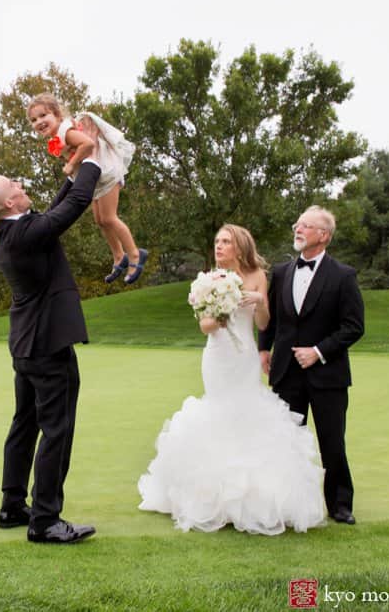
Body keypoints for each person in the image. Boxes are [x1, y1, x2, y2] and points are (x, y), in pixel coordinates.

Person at [137, 224, 327, 534]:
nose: (219, 246)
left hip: (245, 358)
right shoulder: (207, 280)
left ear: (239, 247)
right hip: (217, 356)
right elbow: (206, 327)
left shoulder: (257, 276)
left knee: (247, 411)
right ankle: (213, 498)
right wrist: (223, 304)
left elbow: (263, 322)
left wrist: (259, 300)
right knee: (218, 411)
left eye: (226, 242)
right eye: (217, 242)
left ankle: (252, 499)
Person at [0, 158, 101, 544]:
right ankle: (45, 519)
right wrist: (93, 161)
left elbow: (53, 211)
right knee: (56, 429)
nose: (19, 183)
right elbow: (76, 203)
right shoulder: (27, 234)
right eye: (13, 183)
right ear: (10, 204)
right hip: (47, 347)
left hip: (26, 346)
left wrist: (70, 171)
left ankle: (13, 506)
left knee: (25, 425)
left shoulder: (9, 234)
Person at [258, 205, 365, 525]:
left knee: (332, 442)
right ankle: (284, 504)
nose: (298, 229)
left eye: (306, 225)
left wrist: (318, 351)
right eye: (297, 224)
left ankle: (340, 505)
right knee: (286, 441)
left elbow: (354, 326)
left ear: (324, 235)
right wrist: (264, 349)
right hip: (286, 373)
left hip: (327, 375)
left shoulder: (343, 276)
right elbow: (271, 318)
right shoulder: (280, 272)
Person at [27, 93, 148, 285]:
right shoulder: (56, 138)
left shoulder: (66, 131)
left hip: (106, 172)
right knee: (100, 220)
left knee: (109, 217)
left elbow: (88, 144)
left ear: (57, 115)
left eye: (43, 116)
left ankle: (135, 254)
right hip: (96, 177)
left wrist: (71, 164)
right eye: (34, 120)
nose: (39, 122)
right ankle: (119, 256)